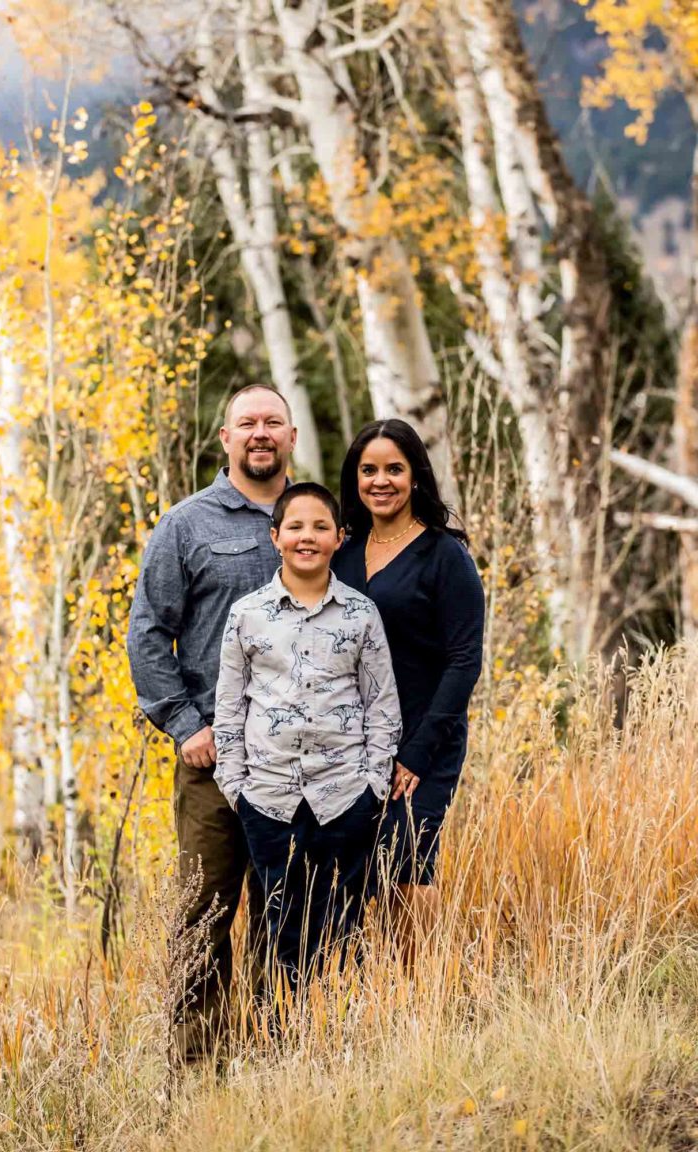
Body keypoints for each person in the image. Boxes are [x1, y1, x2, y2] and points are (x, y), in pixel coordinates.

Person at [126, 384, 297, 1066]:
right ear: (224, 439)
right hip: (214, 760)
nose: (260, 433)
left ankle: (279, 1060)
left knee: (291, 913)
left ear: (291, 437)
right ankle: (198, 1073)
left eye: (272, 423)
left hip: (302, 760)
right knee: (204, 914)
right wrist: (184, 724)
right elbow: (146, 634)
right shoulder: (187, 525)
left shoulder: (316, 519)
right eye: (246, 423)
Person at [213, 483, 402, 983]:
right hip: (268, 797)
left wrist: (373, 786)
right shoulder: (247, 614)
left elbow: (382, 704)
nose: (307, 537)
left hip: (344, 796)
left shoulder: (361, 614)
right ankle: (280, 1044)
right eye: (295, 526)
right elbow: (229, 708)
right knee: (279, 930)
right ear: (275, 536)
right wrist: (237, 790)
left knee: (343, 926)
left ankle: (339, 1044)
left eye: (320, 527)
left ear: (339, 538)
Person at [332, 419, 485, 949]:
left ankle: (421, 1005)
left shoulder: (445, 555)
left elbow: (464, 662)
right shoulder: (342, 553)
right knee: (357, 872)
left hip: (424, 739)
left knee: (408, 868)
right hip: (351, 742)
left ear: (415, 476)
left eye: (393, 469)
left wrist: (417, 754)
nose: (381, 481)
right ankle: (371, 1003)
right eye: (368, 470)